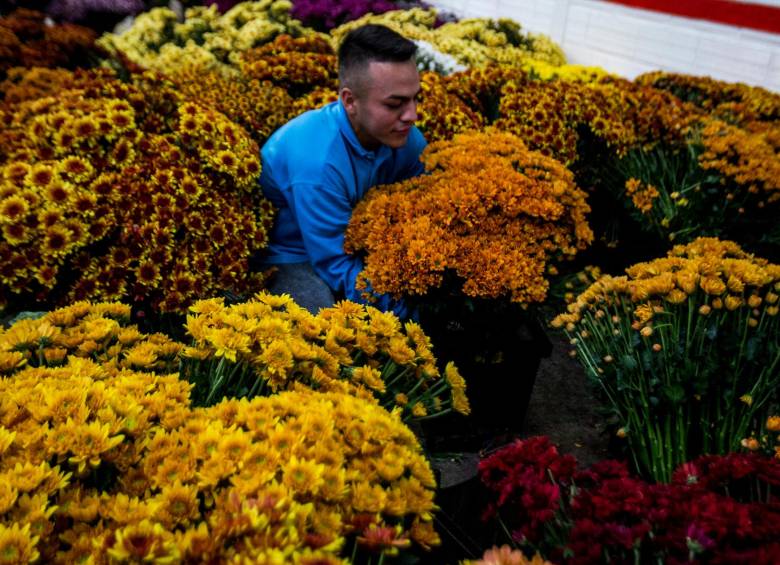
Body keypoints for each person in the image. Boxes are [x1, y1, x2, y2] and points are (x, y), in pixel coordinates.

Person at [259, 24, 426, 317]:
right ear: (350, 101)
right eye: (395, 104)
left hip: (350, 245)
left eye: (415, 98)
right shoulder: (318, 163)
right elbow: (335, 263)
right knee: (320, 327)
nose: (412, 115)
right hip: (295, 256)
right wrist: (417, 314)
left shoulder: (405, 138)